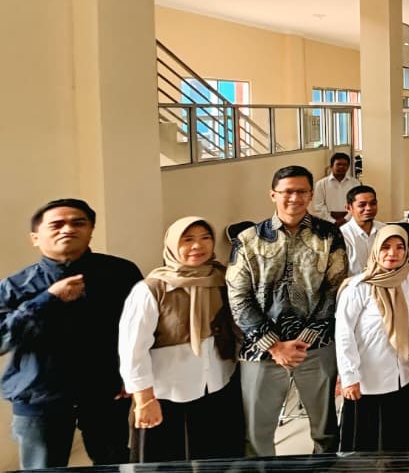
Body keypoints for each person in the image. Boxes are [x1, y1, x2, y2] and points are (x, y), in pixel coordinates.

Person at [1, 199, 143, 469]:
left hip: (107, 393)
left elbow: (142, 330)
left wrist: (134, 376)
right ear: (35, 238)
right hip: (39, 397)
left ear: (91, 230)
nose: (67, 229)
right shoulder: (15, 287)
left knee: (113, 465)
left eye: (78, 223)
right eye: (56, 224)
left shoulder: (121, 273)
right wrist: (47, 300)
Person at [228, 165, 347, 456]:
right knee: (256, 434)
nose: (294, 198)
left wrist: (304, 339)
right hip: (261, 350)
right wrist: (274, 346)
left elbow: (335, 289)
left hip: (315, 346)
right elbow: (238, 297)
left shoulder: (329, 234)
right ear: (273, 195)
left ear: (311, 194)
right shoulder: (248, 239)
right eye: (287, 192)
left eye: (301, 191)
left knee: (326, 430)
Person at [118, 217, 242, 463]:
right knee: (165, 463)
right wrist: (144, 399)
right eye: (187, 240)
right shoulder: (151, 289)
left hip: (217, 386)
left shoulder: (222, 279)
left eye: (205, 238)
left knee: (218, 459)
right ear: (173, 245)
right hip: (167, 395)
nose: (198, 246)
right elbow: (133, 349)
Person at [335, 225, 409, 452]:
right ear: (375, 250)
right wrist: (348, 377)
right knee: (367, 444)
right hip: (368, 377)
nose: (392, 253)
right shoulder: (357, 287)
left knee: (402, 444)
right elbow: (344, 334)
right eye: (385, 247)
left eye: (399, 247)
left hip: (405, 374)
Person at [339, 185, 385, 273]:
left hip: (383, 280)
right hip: (354, 281)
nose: (369, 208)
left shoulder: (384, 230)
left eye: (373, 203)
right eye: (362, 205)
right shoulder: (342, 235)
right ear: (349, 208)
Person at [311, 152, 361, 224]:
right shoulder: (321, 184)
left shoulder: (355, 183)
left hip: (351, 221)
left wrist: (346, 219)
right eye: (338, 164)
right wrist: (332, 221)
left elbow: (357, 204)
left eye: (345, 165)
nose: (341, 167)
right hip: (327, 223)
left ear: (348, 167)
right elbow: (318, 207)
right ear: (331, 166)